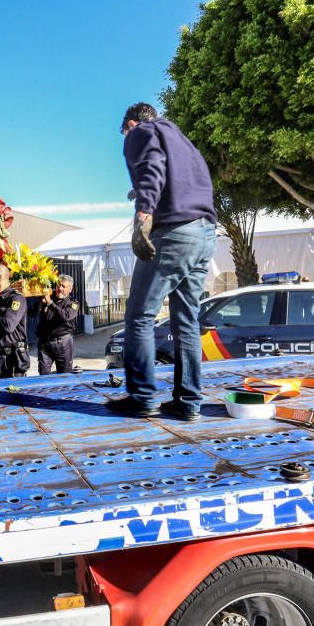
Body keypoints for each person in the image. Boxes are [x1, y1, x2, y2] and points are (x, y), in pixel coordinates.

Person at [108, 102, 217, 422]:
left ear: (130, 124)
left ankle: (142, 397)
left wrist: (144, 216)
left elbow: (151, 167)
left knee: (139, 316)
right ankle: (188, 402)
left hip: (172, 234)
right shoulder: (184, 143)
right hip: (205, 235)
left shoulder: (140, 132)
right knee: (186, 323)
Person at [29, 274, 79, 375]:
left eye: (63, 286)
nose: (60, 288)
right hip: (45, 344)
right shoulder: (48, 298)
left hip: (62, 343)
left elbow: (65, 316)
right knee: (43, 375)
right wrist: (41, 303)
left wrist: (50, 303)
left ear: (70, 289)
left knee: (64, 375)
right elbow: (31, 313)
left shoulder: (72, 303)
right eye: (58, 285)